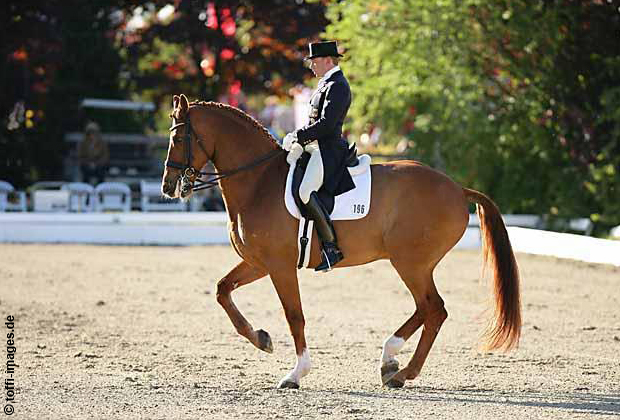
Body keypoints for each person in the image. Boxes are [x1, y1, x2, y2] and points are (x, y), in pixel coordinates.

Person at [282, 40, 355, 272]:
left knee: (304, 192)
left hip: (328, 150)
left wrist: (297, 135)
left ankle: (331, 248)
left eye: (314, 61)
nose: (311, 66)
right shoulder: (326, 83)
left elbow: (326, 125)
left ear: (326, 60)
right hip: (315, 147)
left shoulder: (338, 86)